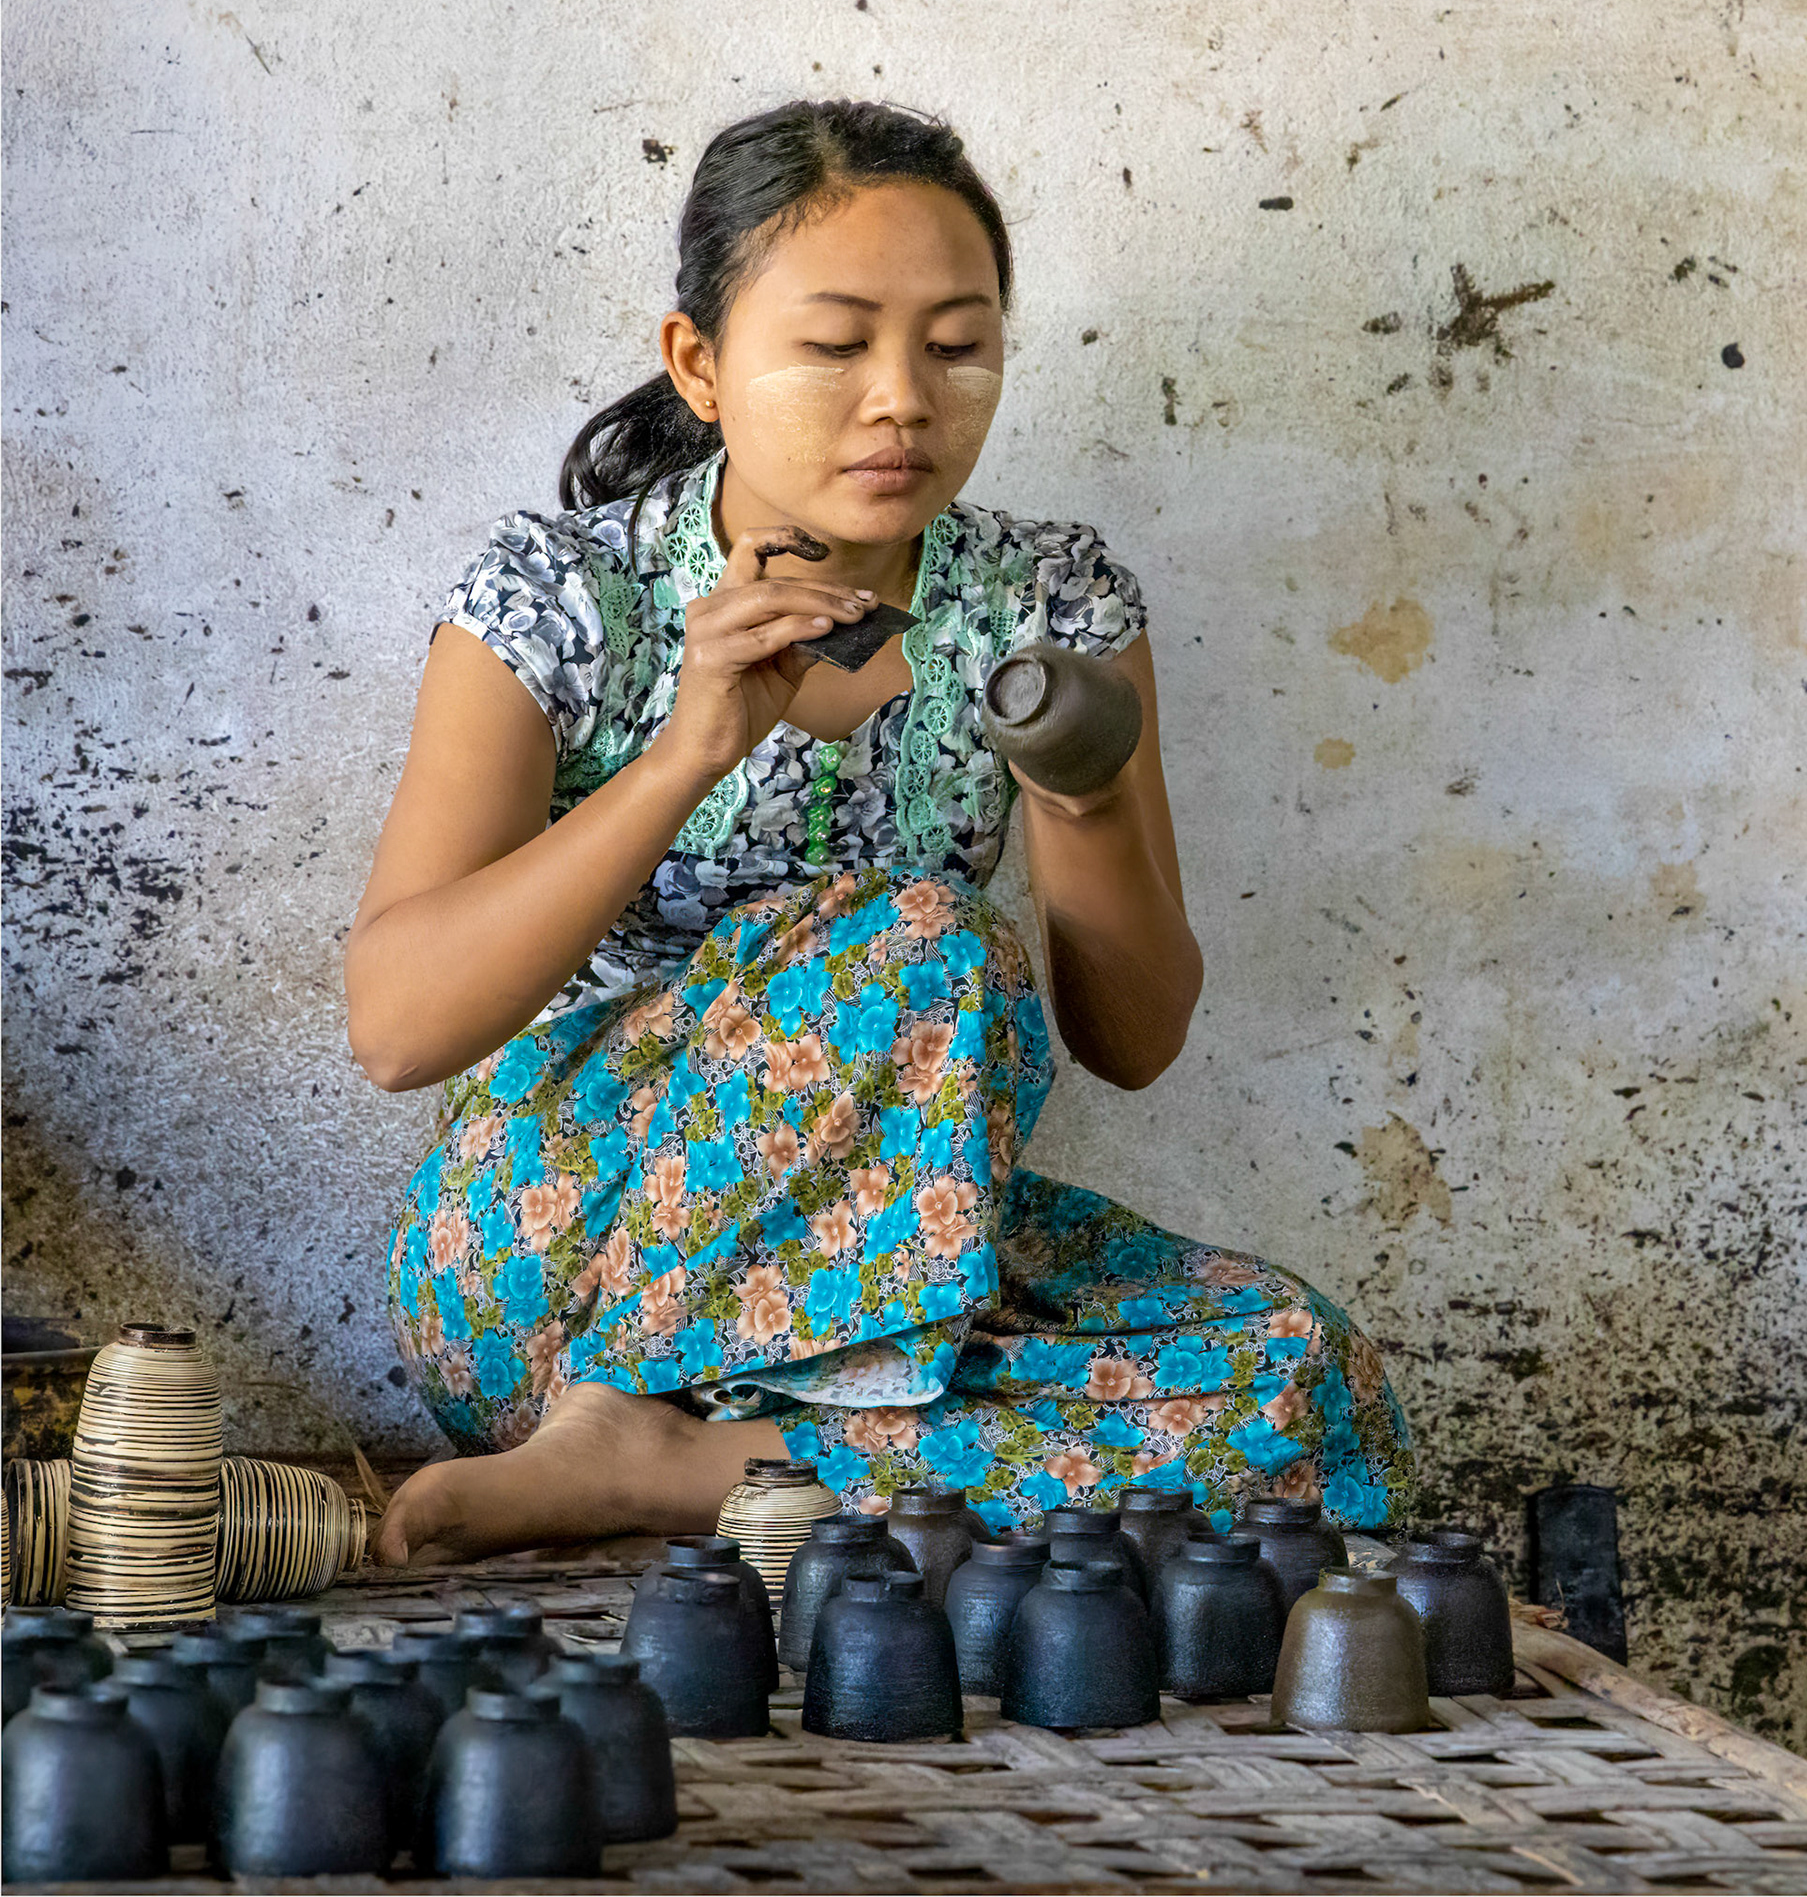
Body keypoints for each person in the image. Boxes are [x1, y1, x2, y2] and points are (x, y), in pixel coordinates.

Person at [346, 99, 1414, 1566]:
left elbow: (1132, 1042)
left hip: (884, 1276)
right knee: (921, 941)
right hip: (561, 1262)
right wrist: (685, 755)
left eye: (957, 347)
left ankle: (693, 1468)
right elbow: (397, 1029)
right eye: (838, 345)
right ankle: (623, 1411)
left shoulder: (1048, 606)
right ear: (699, 365)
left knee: (1301, 1381)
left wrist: (1086, 799)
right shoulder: (563, 594)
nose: (903, 398)